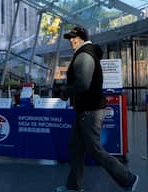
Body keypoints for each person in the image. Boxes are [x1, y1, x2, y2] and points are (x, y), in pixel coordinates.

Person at [56, 27, 139, 192]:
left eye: (75, 37)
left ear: (83, 38)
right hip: (86, 110)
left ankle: (127, 178)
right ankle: (73, 186)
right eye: (70, 38)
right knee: (76, 147)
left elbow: (83, 83)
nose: (71, 40)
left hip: (90, 110)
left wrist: (65, 92)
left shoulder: (85, 55)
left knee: (94, 150)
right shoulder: (84, 53)